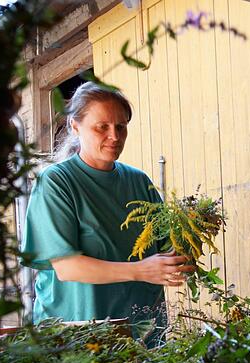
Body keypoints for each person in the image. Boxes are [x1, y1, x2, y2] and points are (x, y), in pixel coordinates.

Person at [21, 82, 194, 338]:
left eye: (121, 127)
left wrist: (189, 240)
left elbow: (166, 249)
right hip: (76, 333)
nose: (114, 136)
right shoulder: (56, 182)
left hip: (141, 330)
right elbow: (68, 267)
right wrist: (140, 270)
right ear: (75, 126)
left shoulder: (138, 181)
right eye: (102, 127)